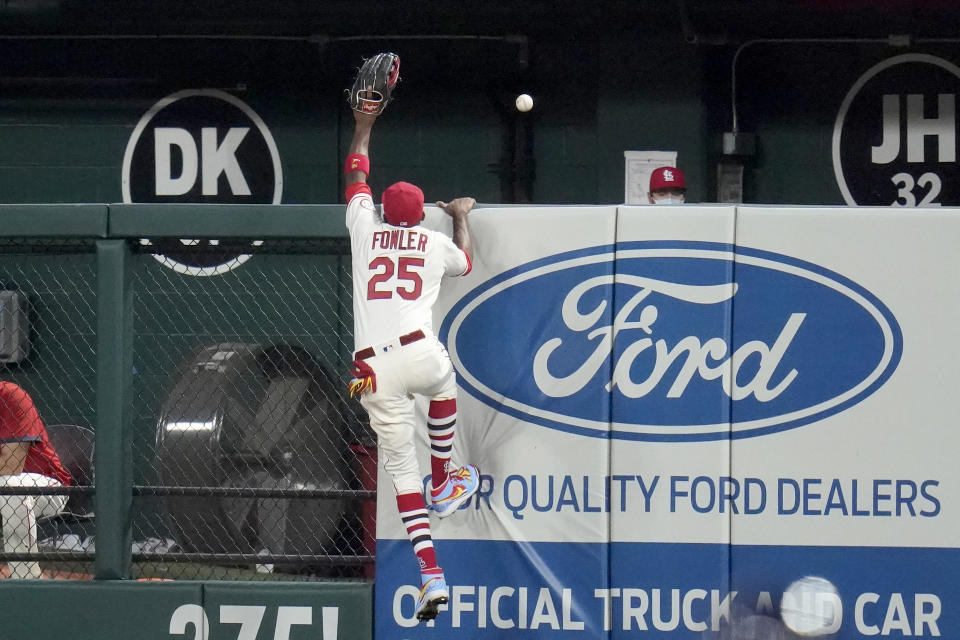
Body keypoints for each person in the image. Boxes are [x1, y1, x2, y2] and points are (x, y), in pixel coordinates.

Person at [343, 106, 481, 622]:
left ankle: (431, 574)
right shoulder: (432, 240)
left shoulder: (363, 228)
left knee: (399, 470)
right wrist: (462, 214)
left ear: (381, 208)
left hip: (368, 373)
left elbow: (356, 171)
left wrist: (363, 124)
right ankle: (444, 477)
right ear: (422, 215)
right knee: (444, 386)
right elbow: (465, 264)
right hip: (419, 352)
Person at [0, 382, 71, 578]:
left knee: (11, 489)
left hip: (46, 484)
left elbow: (12, 465)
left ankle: (27, 582)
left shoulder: (11, 395)